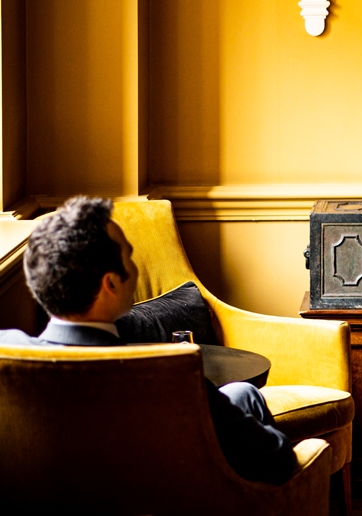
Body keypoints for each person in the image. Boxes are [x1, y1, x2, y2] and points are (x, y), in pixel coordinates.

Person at [0, 196, 299, 484]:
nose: (135, 267)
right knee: (248, 402)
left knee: (242, 394)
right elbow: (281, 461)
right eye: (129, 256)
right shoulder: (171, 373)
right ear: (111, 283)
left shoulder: (7, 354)